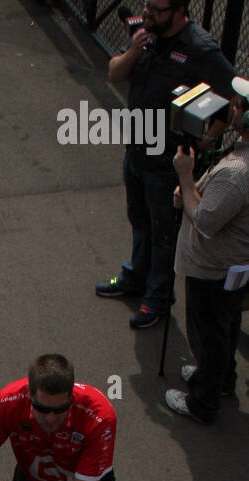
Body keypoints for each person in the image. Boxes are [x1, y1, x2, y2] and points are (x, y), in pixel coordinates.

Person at [95, 2, 234, 330]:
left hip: (166, 163)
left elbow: (230, 97)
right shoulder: (146, 36)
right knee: (140, 221)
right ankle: (134, 277)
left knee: (164, 236)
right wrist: (133, 50)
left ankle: (157, 298)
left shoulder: (200, 48)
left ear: (179, 10)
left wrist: (209, 139)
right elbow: (114, 72)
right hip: (136, 152)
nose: (148, 14)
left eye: (157, 9)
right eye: (147, 6)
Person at [166, 76, 249, 422]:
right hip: (234, 267)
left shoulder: (236, 173)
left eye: (238, 104)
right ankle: (219, 380)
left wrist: (186, 179)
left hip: (214, 267)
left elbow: (205, 219)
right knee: (225, 326)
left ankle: (203, 400)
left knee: (208, 331)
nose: (230, 106)